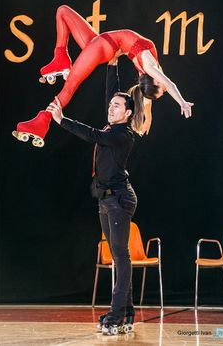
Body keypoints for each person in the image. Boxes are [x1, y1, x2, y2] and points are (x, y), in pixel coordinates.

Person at [12, 5, 193, 147]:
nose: (164, 83)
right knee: (63, 11)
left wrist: (181, 102)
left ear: (154, 81)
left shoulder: (150, 67)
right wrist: (149, 119)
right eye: (162, 88)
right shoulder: (149, 71)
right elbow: (156, 95)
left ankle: (42, 121)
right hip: (101, 41)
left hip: (103, 48)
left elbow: (167, 86)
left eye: (161, 86)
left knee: (71, 84)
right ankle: (60, 56)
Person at [46, 59, 138, 334]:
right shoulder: (113, 126)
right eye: (110, 105)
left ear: (128, 113)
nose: (111, 108)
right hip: (105, 199)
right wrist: (112, 65)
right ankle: (128, 315)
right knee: (118, 258)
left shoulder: (123, 135)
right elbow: (113, 92)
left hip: (120, 200)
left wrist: (62, 120)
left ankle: (115, 316)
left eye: (117, 106)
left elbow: (91, 134)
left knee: (120, 258)